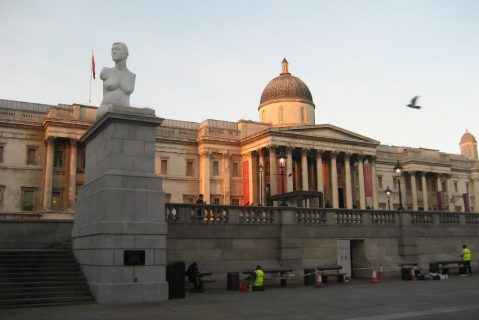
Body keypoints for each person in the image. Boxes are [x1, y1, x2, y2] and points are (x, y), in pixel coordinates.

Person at [97, 42, 136, 119]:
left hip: (124, 113)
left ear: (126, 54)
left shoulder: (131, 76)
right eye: (112, 50)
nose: (113, 52)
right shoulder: (106, 71)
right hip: (105, 110)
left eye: (117, 49)